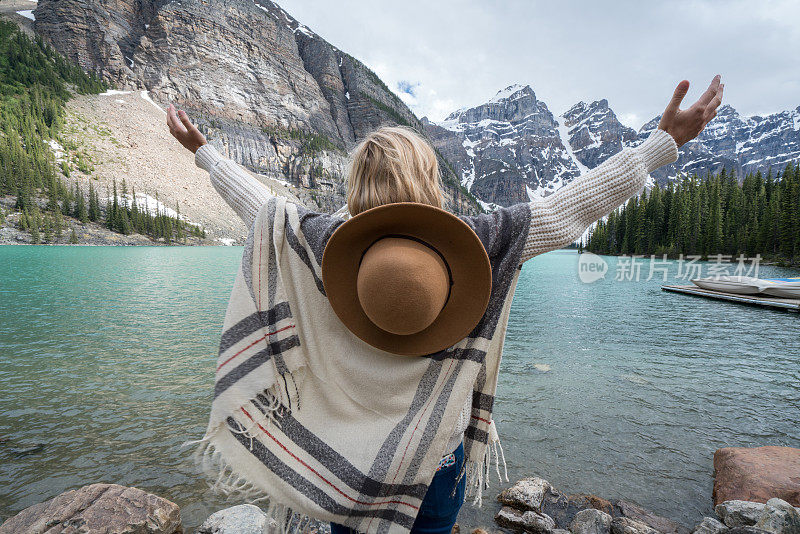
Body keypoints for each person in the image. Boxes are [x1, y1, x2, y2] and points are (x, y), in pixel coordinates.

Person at [167, 75, 723, 534]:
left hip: (346, 456)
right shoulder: (479, 243)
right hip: (438, 455)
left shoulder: (322, 243)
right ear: (429, 181)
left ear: (356, 185)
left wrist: (207, 155)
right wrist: (661, 144)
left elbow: (262, 208)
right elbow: (568, 210)